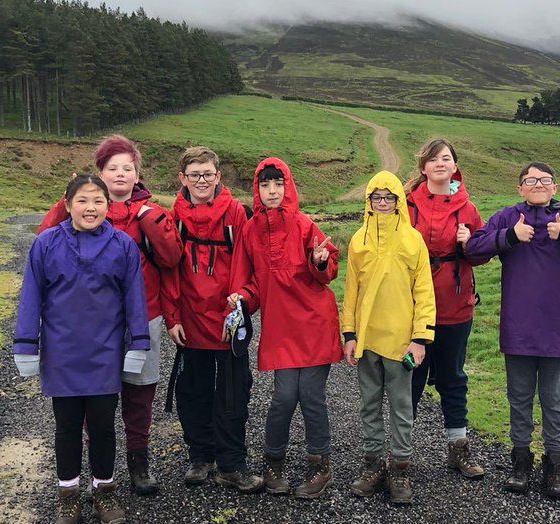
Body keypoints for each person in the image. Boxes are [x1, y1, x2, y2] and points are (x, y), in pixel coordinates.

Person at [38, 135, 182, 496]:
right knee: (92, 396)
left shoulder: (152, 213)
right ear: (99, 173)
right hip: (90, 324)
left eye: (128, 168)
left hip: (143, 315)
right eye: (112, 167)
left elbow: (171, 259)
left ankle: (138, 462)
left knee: (139, 393)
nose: (120, 174)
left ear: (138, 175)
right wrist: (67, 200)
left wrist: (149, 221)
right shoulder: (84, 208)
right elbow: (45, 244)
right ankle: (98, 467)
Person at [465, 163, 560, 498]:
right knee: (518, 399)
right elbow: (473, 248)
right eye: (530, 180)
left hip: (556, 328)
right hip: (517, 327)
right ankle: (520, 466)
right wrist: (509, 237)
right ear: (520, 188)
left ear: (555, 187)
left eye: (544, 180)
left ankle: (554, 469)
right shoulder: (508, 217)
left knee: (553, 400)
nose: (537, 184)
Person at [14, 174, 150, 524]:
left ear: (109, 205)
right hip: (61, 355)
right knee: (68, 426)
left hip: (105, 352)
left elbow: (135, 299)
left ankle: (104, 491)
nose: (90, 208)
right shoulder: (45, 245)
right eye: (83, 201)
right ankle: (68, 495)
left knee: (104, 426)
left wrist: (138, 343)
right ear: (68, 203)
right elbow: (31, 298)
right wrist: (26, 344)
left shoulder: (123, 246)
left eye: (98, 201)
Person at [227, 157, 342, 499]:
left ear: (288, 186)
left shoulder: (305, 224)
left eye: (278, 184)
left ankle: (320, 465)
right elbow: (250, 284)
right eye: (265, 185)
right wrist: (241, 300)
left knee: (310, 396)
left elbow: (329, 265)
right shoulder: (250, 231)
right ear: (257, 190)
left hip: (315, 323)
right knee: (282, 399)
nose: (272, 190)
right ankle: (273, 462)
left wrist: (320, 261)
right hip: (281, 329)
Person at [161, 146, 261, 493]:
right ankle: (200, 457)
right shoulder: (171, 218)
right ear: (182, 179)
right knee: (193, 391)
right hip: (190, 320)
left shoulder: (237, 214)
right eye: (194, 175)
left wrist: (239, 307)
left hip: (227, 322)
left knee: (233, 394)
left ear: (218, 177)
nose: (201, 181)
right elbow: (169, 272)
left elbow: (250, 268)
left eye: (207, 174)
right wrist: (172, 316)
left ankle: (231, 464)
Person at [341, 171, 436, 505]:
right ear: (369, 201)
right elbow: (351, 291)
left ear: (399, 201)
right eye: (376, 198)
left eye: (389, 197)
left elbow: (424, 292)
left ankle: (400, 468)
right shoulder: (358, 241)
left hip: (401, 343)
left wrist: (420, 339)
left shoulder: (413, 240)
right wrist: (350, 334)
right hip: (367, 341)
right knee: (368, 405)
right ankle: (372, 465)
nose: (382, 203)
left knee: (401, 406)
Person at [403, 138, 487, 479]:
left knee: (453, 378)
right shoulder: (406, 205)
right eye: (434, 159)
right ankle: (401, 455)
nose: (440, 164)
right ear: (424, 168)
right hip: (411, 309)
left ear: (455, 167)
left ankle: (458, 450)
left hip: (454, 307)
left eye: (447, 159)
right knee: (410, 379)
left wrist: (470, 245)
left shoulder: (468, 208)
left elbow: (481, 256)